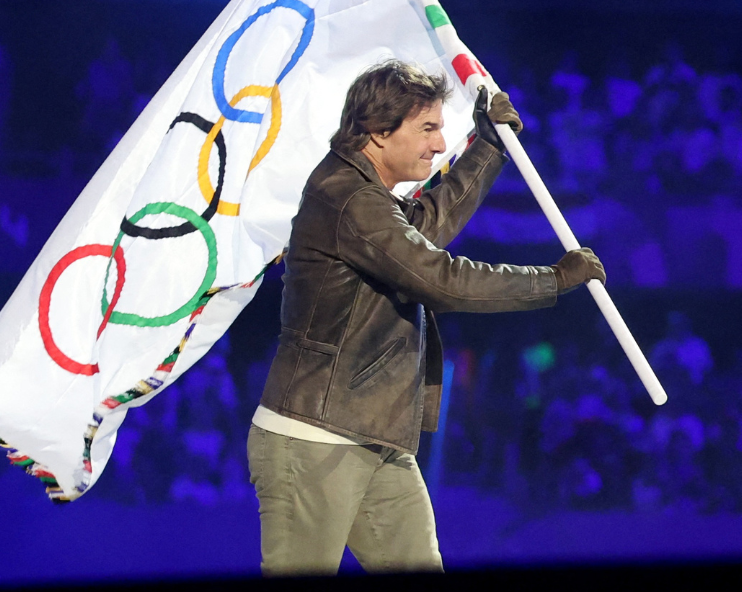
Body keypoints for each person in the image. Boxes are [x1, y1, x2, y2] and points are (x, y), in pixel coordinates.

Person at [249, 60, 606, 575]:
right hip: (314, 440)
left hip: (374, 438)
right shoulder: (347, 198)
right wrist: (550, 280)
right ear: (377, 131)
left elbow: (426, 228)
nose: (440, 145)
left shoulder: (365, 197)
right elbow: (439, 278)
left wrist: (488, 146)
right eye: (428, 129)